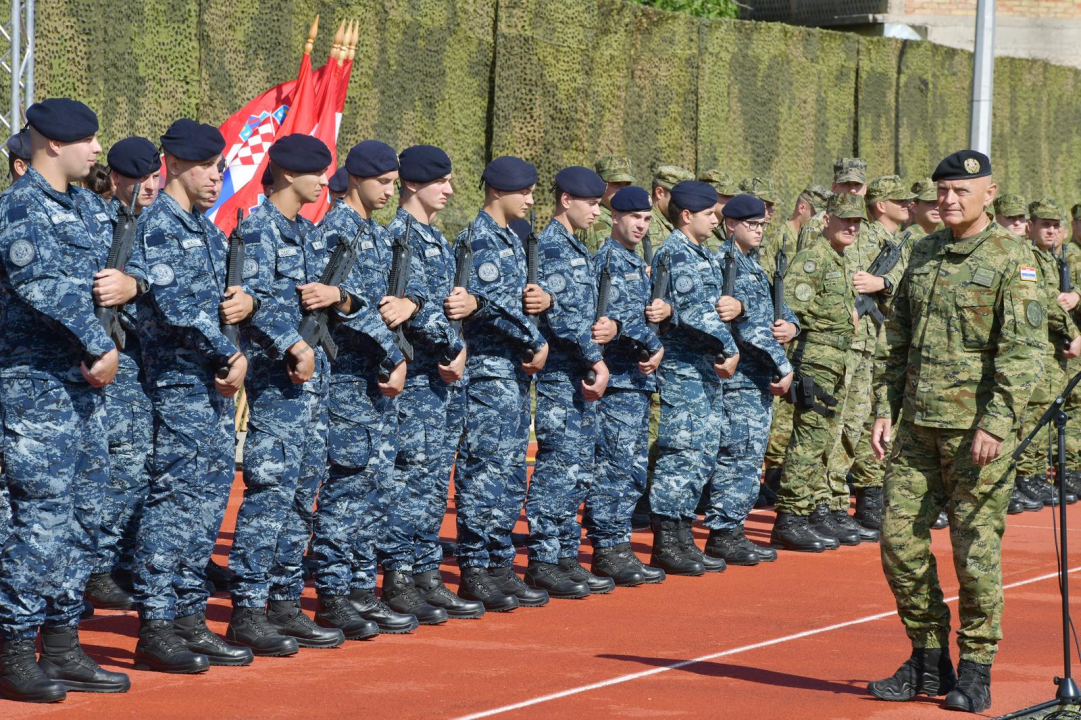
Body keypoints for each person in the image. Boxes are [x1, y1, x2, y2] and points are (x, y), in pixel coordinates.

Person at [868, 150, 1045, 713]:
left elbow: (1024, 353)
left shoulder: (1013, 259)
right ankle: (926, 658)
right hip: (918, 428)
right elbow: (896, 343)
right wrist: (883, 408)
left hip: (975, 435)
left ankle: (975, 669)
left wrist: (996, 422)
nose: (948, 201)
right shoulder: (922, 253)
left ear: (989, 194)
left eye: (961, 192)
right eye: (941, 191)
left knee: (975, 555)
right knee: (897, 544)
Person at [0, 98, 131, 702]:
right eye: (89, 141)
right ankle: (14, 649)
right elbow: (37, 284)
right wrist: (98, 340)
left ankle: (61, 644)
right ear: (53, 144)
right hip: (36, 388)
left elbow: (127, 273)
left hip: (86, 390)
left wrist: (134, 285)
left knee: (84, 518)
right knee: (40, 522)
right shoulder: (20, 209)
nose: (97, 151)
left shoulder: (86, 208)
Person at [130, 118, 253, 673]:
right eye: (207, 167)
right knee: (173, 504)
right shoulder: (157, 226)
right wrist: (229, 356)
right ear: (174, 164)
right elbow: (179, 310)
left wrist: (241, 328)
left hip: (210, 387)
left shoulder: (205, 229)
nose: (216, 178)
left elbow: (223, 307)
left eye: (220, 167)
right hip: (178, 384)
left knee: (205, 507)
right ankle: (155, 624)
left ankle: (187, 617)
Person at [226, 134, 347, 654]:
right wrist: (294, 344)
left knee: (301, 493)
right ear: (289, 174)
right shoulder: (258, 230)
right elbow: (252, 300)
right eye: (316, 173)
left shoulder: (308, 232)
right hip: (280, 379)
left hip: (312, 380)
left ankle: (284, 601)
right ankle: (249, 609)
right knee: (270, 492)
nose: (324, 182)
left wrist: (341, 297)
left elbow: (327, 294)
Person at [308, 140, 428, 635]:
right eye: (382, 182)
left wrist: (411, 311)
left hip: (374, 383)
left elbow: (397, 297)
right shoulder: (338, 230)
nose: (389, 190)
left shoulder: (374, 234)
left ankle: (359, 587)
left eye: (393, 183)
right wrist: (395, 353)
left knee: (372, 487)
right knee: (348, 487)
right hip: (349, 380)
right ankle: (334, 596)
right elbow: (344, 308)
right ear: (355, 178)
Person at [381, 145, 482, 620]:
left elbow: (444, 305)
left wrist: (466, 307)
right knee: (410, 478)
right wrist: (454, 348)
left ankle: (424, 571)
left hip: (440, 383)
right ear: (414, 184)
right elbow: (410, 312)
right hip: (420, 377)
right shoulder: (398, 236)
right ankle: (399, 576)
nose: (449, 190)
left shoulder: (435, 239)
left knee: (430, 481)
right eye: (440, 182)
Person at [447, 156, 550, 611]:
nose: (530, 200)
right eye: (523, 192)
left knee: (509, 473)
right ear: (497, 192)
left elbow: (523, 304)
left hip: (512, 374)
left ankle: (499, 562)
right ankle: (475, 567)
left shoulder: (512, 242)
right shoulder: (477, 242)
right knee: (484, 470)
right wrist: (532, 334)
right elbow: (481, 303)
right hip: (487, 375)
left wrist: (540, 311)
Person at [523, 166, 614, 599]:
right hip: (564, 374)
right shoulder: (554, 246)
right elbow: (562, 318)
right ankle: (543, 559)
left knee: (577, 470)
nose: (598, 211)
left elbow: (584, 311)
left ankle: (563, 554)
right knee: (558, 468)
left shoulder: (577, 246)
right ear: (566, 200)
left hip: (578, 373)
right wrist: (596, 358)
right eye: (591, 203)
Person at [83, 136, 162, 612]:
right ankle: (97, 567)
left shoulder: (153, 223)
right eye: (140, 179)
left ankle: (123, 559)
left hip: (145, 364)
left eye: (155, 177)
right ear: (116, 179)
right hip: (112, 361)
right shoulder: (103, 222)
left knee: (142, 468)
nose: (150, 187)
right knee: (114, 468)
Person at [648, 180, 735, 576]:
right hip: (684, 368)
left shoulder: (699, 252)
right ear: (687, 216)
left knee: (700, 453)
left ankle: (683, 535)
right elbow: (695, 312)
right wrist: (728, 347)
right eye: (709, 214)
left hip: (702, 370)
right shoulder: (675, 252)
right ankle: (667, 541)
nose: (716, 220)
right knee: (680, 453)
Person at [769, 193, 864, 553]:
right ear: (827, 221)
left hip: (835, 363)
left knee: (823, 441)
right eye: (845, 220)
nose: (852, 227)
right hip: (814, 363)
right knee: (808, 440)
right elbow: (790, 312)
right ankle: (789, 516)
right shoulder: (814, 258)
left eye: (857, 222)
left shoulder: (837, 259)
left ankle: (806, 510)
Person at [583, 186, 667, 586]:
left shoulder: (635, 262)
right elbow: (606, 320)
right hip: (616, 382)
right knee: (613, 469)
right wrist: (651, 342)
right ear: (613, 217)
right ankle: (607, 548)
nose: (641, 225)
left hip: (635, 382)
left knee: (630, 469)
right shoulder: (607, 261)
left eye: (647, 219)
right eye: (634, 217)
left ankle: (617, 544)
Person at [708, 194, 797, 565]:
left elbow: (776, 311)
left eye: (762, 225)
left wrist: (791, 325)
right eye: (751, 225)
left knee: (749, 455)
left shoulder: (753, 264)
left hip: (756, 379)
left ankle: (733, 528)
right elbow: (749, 330)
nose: (759, 231)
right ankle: (724, 533)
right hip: (741, 378)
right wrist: (783, 366)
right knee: (738, 455)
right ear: (731, 225)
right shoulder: (724, 263)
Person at [833, 175, 915, 543]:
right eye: (902, 200)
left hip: (877, 344)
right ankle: (832, 503)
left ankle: (862, 497)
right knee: (842, 425)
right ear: (880, 204)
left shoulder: (897, 242)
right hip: (851, 342)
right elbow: (844, 281)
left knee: (866, 425)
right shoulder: (864, 238)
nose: (909, 206)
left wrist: (883, 284)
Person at [1010, 199, 1081, 511]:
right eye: (1044, 224)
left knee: (1047, 409)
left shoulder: (1053, 259)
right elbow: (1041, 301)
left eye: (1055, 225)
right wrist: (1074, 332)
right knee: (1033, 412)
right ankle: (1026, 474)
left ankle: (1037, 472)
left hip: (1052, 350)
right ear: (1031, 227)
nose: (1050, 230)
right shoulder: (1028, 258)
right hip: (1036, 348)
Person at [798, 157, 867, 251]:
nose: (852, 190)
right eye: (846, 184)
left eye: (857, 184)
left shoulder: (869, 226)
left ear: (865, 189)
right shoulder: (816, 225)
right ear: (834, 187)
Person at [578, 156, 635, 255]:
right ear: (601, 185)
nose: (623, 190)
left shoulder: (624, 216)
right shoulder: (596, 222)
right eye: (616, 184)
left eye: (627, 184)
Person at [698, 168, 739, 253]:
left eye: (733, 195)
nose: (731, 200)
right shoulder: (698, 228)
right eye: (725, 195)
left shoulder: (733, 226)